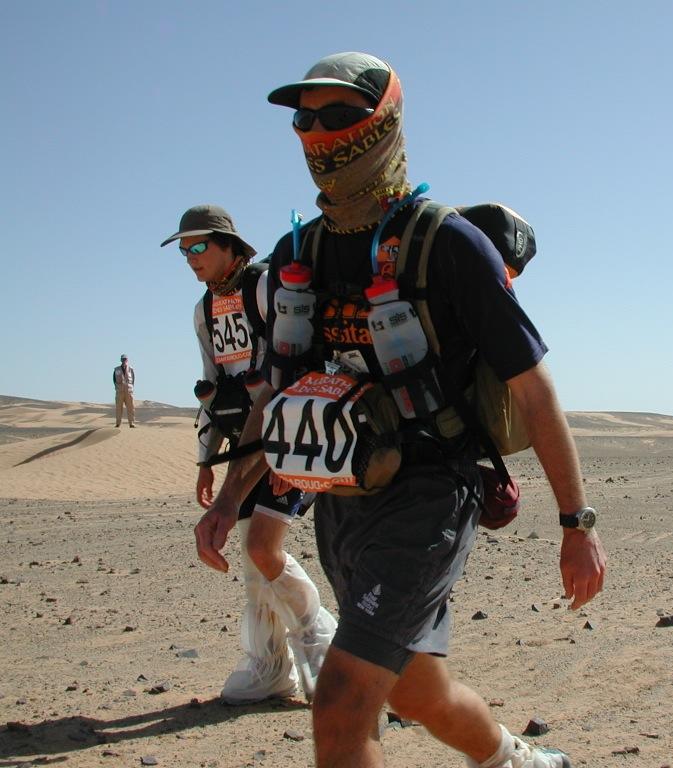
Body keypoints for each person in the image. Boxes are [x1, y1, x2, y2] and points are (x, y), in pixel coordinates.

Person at [194, 52, 607, 768]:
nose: (318, 133)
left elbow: (534, 391)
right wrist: (231, 498)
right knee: (417, 690)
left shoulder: (447, 243)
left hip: (429, 497)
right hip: (341, 501)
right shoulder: (299, 255)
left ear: (383, 122)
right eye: (305, 117)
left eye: (341, 116)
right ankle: (518, 761)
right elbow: (280, 400)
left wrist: (576, 523)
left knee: (342, 699)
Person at [161, 204, 335, 704]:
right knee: (254, 560)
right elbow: (211, 388)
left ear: (229, 246)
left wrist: (285, 451)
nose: (190, 257)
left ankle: (323, 643)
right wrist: (204, 458)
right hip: (244, 444)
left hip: (289, 436)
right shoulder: (203, 311)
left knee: (263, 548)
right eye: (183, 248)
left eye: (199, 246)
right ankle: (269, 665)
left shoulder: (264, 288)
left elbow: (293, 367)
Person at [113, 354, 136, 428]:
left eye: (125, 359)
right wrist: (117, 387)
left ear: (127, 360)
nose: (124, 360)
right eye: (123, 359)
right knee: (119, 408)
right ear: (121, 360)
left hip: (129, 391)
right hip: (119, 391)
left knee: (130, 407)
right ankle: (118, 423)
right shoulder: (116, 369)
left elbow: (133, 379)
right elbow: (114, 380)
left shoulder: (131, 369)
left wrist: (131, 387)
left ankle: (131, 423)